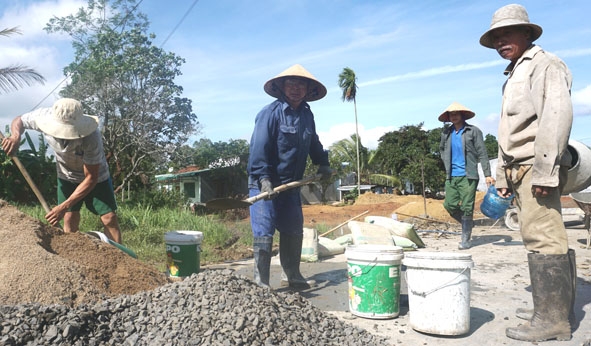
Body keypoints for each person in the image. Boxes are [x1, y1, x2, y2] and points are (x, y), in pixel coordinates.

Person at [480, 4, 575, 342]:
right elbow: (511, 133)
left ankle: (553, 320)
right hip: (520, 170)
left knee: (545, 238)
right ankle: (551, 307)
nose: (501, 41)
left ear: (527, 33)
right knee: (535, 237)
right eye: (496, 37)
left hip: (537, 168)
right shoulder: (515, 72)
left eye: (507, 33)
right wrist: (504, 176)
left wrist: (546, 172)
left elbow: (556, 116)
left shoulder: (545, 65)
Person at [247, 64, 332, 289]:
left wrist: (323, 163)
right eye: (291, 84)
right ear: (282, 87)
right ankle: (261, 282)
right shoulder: (269, 113)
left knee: (294, 229)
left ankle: (292, 274)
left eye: (301, 84)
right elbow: (259, 148)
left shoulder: (306, 115)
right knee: (264, 232)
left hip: (290, 186)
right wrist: (264, 179)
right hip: (264, 184)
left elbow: (313, 142)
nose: (296, 88)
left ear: (307, 90)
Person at [1, 98, 122, 244]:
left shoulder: (91, 136)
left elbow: (91, 177)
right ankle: (73, 256)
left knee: (109, 218)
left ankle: (119, 258)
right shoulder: (42, 117)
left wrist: (63, 206)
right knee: (69, 218)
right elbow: (19, 120)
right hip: (66, 175)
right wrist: (15, 136)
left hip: (96, 177)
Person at [438, 102, 494, 250]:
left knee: (467, 207)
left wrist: (487, 174)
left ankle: (465, 240)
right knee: (449, 204)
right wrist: (446, 163)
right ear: (448, 117)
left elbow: (482, 152)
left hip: (468, 176)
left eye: (456, 113)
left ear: (462, 115)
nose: (454, 116)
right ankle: (467, 223)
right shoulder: (446, 133)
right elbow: (442, 149)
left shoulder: (473, 131)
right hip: (452, 176)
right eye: (451, 114)